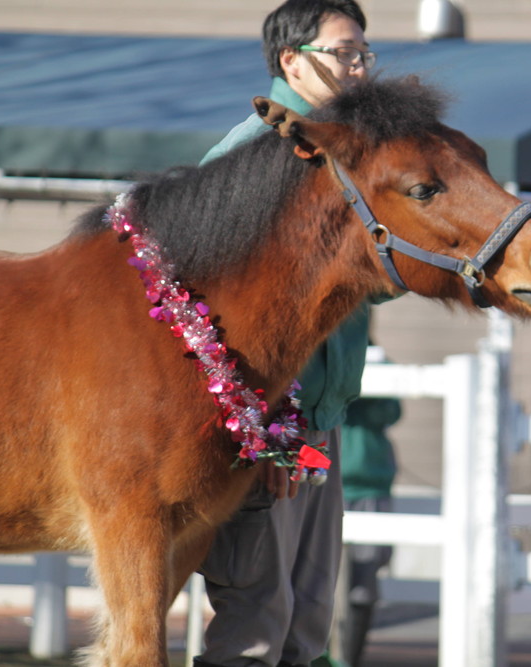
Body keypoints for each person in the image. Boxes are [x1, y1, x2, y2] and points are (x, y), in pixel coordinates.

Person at [194, 2, 376, 666]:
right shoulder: (250, 158)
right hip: (266, 433)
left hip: (318, 425)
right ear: (292, 61)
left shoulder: (338, 157)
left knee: (306, 625)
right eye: (344, 53)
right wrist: (272, 428)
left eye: (364, 54)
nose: (359, 67)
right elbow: (214, 311)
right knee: (257, 628)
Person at [336, 344, 401, 667]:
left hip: (369, 483)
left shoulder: (375, 355)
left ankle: (351, 657)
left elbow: (390, 411)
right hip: (330, 481)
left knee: (364, 581)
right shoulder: (325, 348)